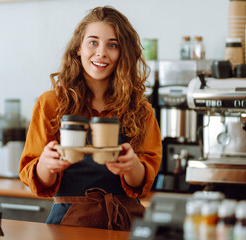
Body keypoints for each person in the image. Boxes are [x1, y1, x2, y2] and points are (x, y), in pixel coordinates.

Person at [19, 6, 162, 231]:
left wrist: (132, 166)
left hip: (127, 222)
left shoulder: (140, 109)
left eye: (112, 45)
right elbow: (36, 180)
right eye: (93, 42)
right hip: (70, 223)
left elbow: (143, 183)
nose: (101, 52)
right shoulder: (50, 103)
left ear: (123, 53)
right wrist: (46, 165)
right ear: (78, 48)